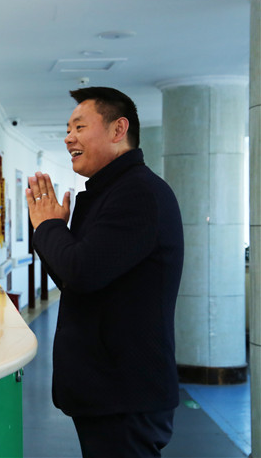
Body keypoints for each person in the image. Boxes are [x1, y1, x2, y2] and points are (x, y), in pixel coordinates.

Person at [25, 87, 184, 458]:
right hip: (107, 389)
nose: (69, 138)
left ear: (118, 130)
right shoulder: (108, 192)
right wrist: (51, 229)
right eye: (68, 129)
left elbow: (80, 272)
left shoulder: (137, 193)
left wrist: (48, 227)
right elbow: (73, 279)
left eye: (80, 127)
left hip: (125, 392)